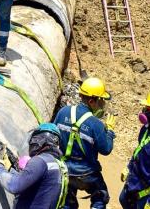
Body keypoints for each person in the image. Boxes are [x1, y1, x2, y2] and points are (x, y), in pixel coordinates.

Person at [54, 77, 115, 209]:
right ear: (92, 101)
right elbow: (106, 149)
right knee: (100, 197)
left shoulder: (63, 112)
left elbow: (54, 136)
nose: (102, 104)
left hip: (65, 169)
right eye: (101, 101)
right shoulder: (95, 124)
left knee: (66, 201)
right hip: (87, 173)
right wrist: (109, 131)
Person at [0, 123, 68, 209]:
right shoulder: (59, 165)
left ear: (39, 140)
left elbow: (14, 185)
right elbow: (35, 184)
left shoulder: (40, 161)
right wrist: (11, 170)